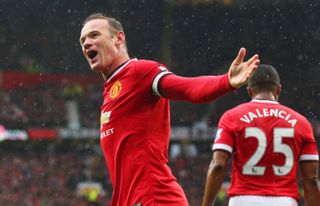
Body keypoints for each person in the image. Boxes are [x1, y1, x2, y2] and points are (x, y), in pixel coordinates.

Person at [79, 12, 260, 206]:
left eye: (94, 35)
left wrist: (225, 81)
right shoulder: (111, 90)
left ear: (119, 38)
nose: (86, 43)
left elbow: (187, 88)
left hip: (154, 197)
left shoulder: (140, 72)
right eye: (82, 40)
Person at [202, 64, 320, 206]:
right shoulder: (301, 123)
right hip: (284, 201)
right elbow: (311, 179)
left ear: (250, 91)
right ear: (278, 90)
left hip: (243, 200)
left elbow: (218, 166)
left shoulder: (231, 117)